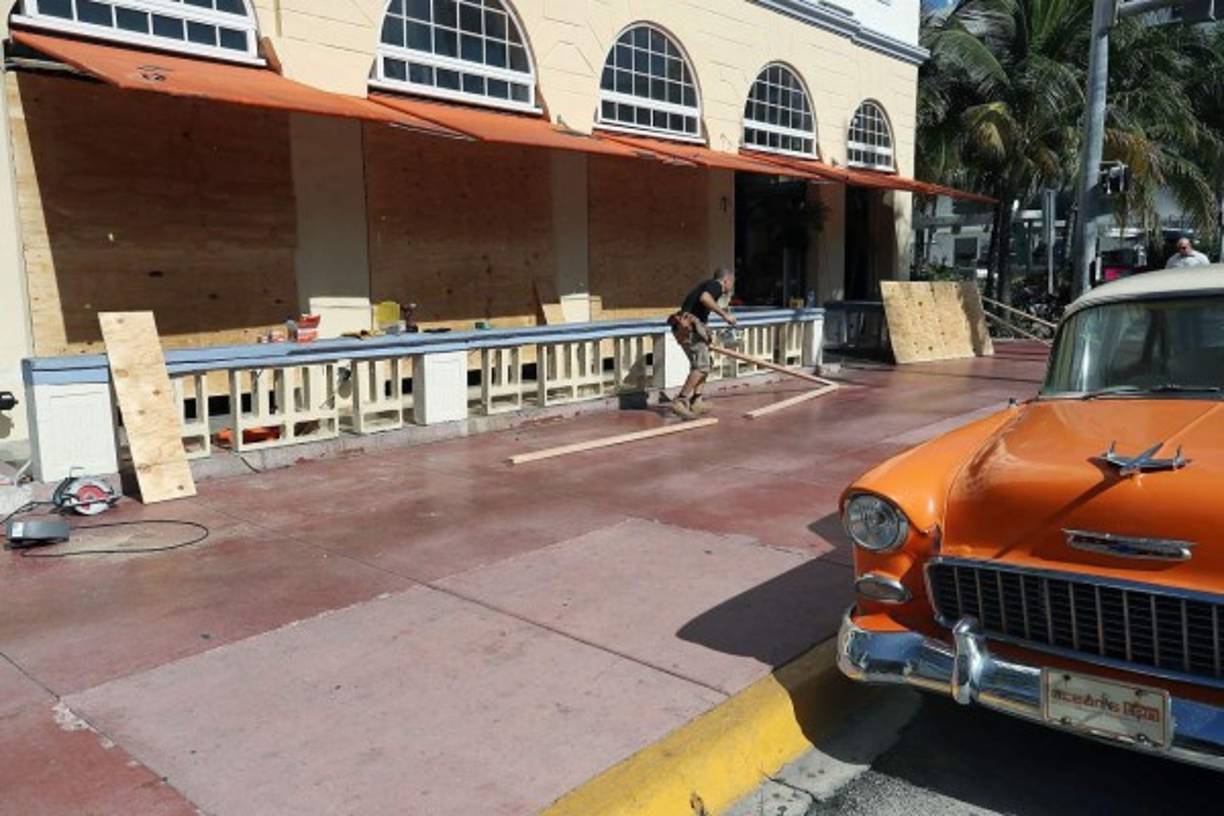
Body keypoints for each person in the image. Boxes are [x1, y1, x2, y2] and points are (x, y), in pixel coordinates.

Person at [668, 268, 737, 419]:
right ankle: (680, 401)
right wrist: (725, 315)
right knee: (701, 366)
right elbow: (705, 298)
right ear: (726, 280)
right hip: (688, 328)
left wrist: (705, 330)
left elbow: (698, 308)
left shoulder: (709, 286)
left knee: (706, 364)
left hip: (687, 327)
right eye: (732, 283)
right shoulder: (716, 285)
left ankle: (696, 400)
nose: (732, 287)